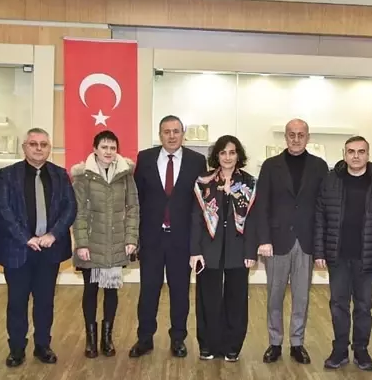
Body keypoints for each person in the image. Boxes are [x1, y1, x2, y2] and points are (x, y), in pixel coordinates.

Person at [0, 128, 77, 367]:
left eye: (43, 144)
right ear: (24, 147)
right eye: (33, 144)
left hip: (49, 250)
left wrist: (54, 234)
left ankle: (43, 345)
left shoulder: (60, 174)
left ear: (49, 148)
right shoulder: (7, 175)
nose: (38, 148)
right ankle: (16, 349)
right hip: (18, 249)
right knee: (17, 302)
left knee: (45, 301)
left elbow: (70, 207)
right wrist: (25, 238)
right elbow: (3, 209)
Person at [313, 136, 372, 371]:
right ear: (344, 154)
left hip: (368, 257)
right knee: (338, 305)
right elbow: (320, 218)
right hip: (337, 255)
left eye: (361, 151)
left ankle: (361, 350)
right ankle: (339, 350)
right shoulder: (331, 180)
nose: (356, 156)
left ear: (368, 154)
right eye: (351, 151)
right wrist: (319, 251)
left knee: (363, 307)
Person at [130, 115, 206, 358]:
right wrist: (136, 237)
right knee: (148, 290)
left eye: (176, 131)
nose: (171, 136)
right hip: (152, 238)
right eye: (166, 131)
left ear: (183, 134)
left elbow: (200, 204)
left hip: (181, 239)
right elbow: (137, 199)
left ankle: (178, 338)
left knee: (180, 291)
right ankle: (144, 338)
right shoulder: (145, 158)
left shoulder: (197, 161)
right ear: (160, 135)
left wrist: (197, 242)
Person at [254, 118, 328, 365]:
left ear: (308, 137)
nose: (296, 139)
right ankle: (275, 342)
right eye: (291, 134)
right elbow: (261, 205)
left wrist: (321, 245)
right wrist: (264, 239)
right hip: (277, 241)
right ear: (285, 137)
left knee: (301, 297)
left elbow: (323, 207)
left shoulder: (319, 166)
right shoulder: (270, 166)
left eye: (300, 134)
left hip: (306, 241)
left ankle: (297, 343)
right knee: (274, 296)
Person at [190, 135, 258, 362]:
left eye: (232, 152)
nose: (227, 157)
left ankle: (232, 346)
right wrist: (195, 250)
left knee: (236, 299)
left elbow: (253, 220)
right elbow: (196, 218)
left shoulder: (249, 183)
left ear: (238, 155)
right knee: (207, 298)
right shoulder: (204, 182)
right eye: (223, 152)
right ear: (216, 156)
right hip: (208, 249)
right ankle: (208, 345)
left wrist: (250, 252)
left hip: (238, 250)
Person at [71, 130, 139, 358]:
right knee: (90, 291)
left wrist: (131, 239)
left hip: (117, 242)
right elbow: (79, 212)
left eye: (112, 148)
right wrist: (81, 243)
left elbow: (133, 208)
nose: (108, 152)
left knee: (111, 291)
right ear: (95, 149)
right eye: (104, 147)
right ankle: (91, 340)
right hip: (91, 244)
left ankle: (107, 339)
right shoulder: (83, 176)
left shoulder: (125, 175)